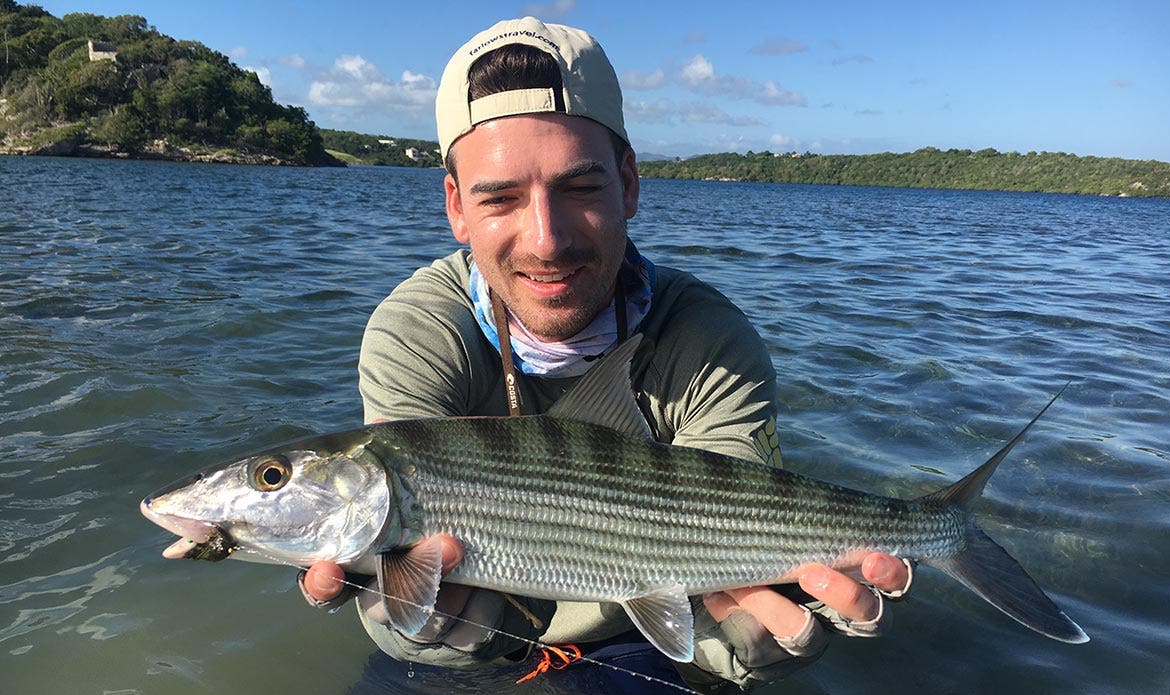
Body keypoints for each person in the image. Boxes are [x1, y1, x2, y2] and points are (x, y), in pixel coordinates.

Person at [300, 17, 912, 693]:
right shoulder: (417, 328)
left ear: (629, 183)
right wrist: (411, 623)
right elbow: (399, 550)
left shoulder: (711, 341)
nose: (545, 239)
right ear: (455, 208)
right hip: (487, 634)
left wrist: (747, 635)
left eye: (580, 187)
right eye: (499, 197)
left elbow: (734, 530)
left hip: (642, 644)